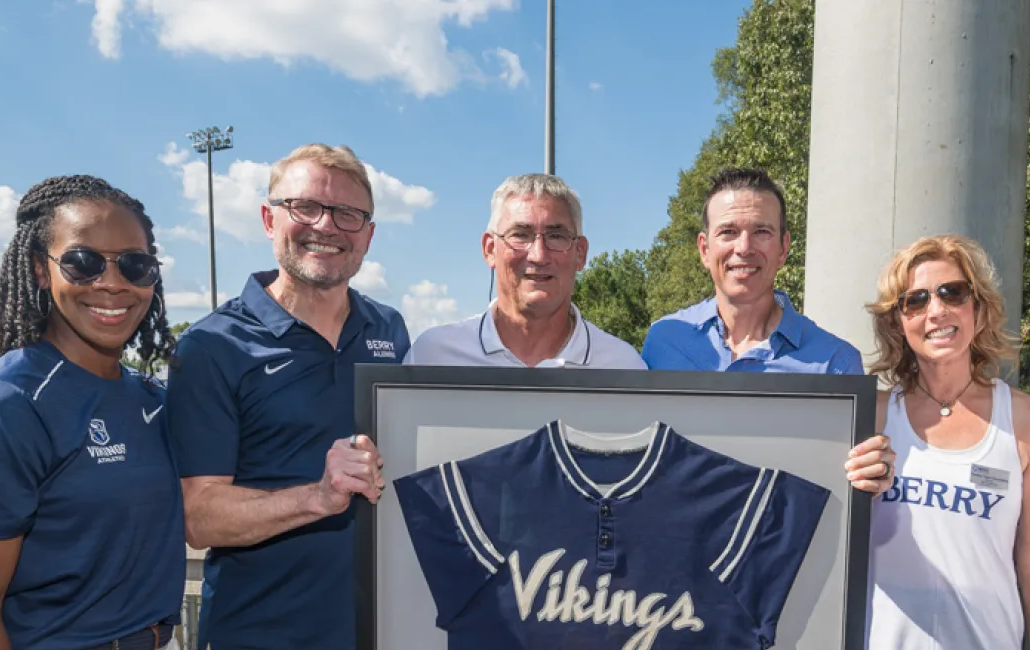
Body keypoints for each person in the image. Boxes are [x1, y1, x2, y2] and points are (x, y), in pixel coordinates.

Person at [0, 175, 185, 650]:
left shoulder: (151, 399)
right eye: (83, 263)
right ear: (41, 270)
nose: (112, 282)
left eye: (135, 264)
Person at [163, 143, 411, 649]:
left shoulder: (389, 329)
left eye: (348, 214)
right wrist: (318, 497)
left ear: (368, 235)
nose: (326, 226)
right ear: (268, 219)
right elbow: (198, 517)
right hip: (261, 634)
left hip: (379, 631)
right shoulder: (212, 346)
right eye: (305, 207)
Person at [848, 234, 1030, 649]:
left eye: (953, 293)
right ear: (898, 322)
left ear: (978, 311)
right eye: (916, 300)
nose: (936, 310)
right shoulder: (868, 417)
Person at [405, 173, 645, 369]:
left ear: (580, 253)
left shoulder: (624, 367)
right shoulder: (431, 357)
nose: (538, 255)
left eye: (557, 236)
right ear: (490, 249)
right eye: (520, 235)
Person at [641, 168, 861, 374]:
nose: (744, 248)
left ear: (783, 248)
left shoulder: (835, 364)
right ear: (704, 249)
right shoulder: (663, 342)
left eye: (761, 231)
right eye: (728, 231)